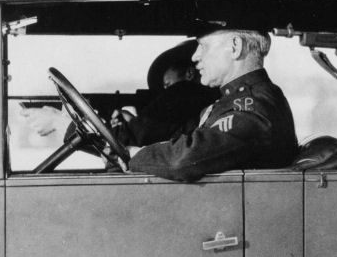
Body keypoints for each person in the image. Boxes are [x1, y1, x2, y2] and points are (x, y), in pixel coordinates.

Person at [126, 23, 298, 181]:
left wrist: (135, 154)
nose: (195, 56)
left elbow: (184, 160)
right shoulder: (245, 98)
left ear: (235, 47)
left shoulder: (251, 106)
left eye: (203, 46)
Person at [109, 40, 219, 147]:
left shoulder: (182, 91)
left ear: (189, 74)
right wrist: (133, 122)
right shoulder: (210, 99)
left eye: (168, 85)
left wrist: (119, 130)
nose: (166, 92)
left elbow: (141, 131)